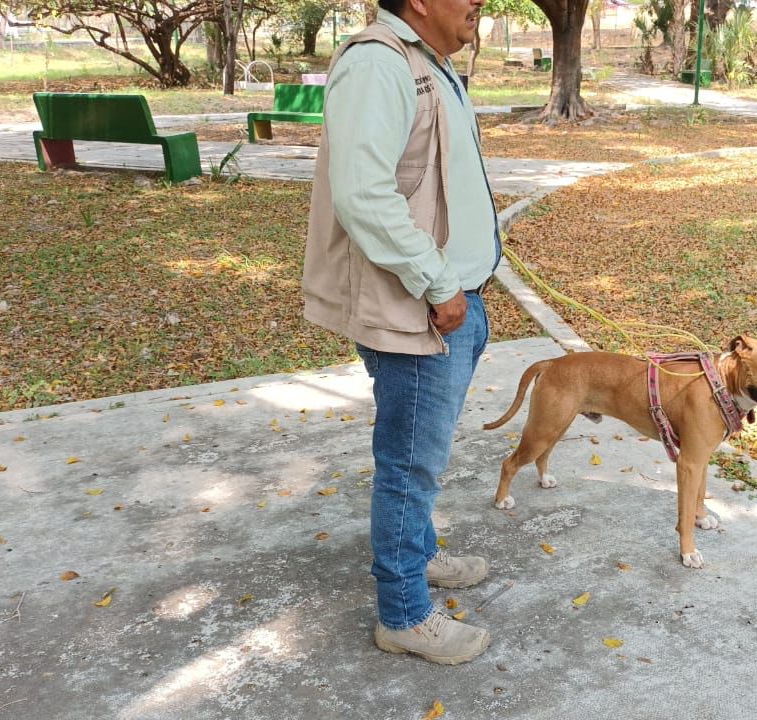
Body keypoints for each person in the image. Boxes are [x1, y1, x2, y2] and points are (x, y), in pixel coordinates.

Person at [301, 0, 500, 665]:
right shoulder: (378, 64)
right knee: (409, 465)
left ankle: (417, 556)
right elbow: (363, 193)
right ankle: (404, 613)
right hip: (420, 309)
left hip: (449, 305)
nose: (478, 2)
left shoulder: (429, 62)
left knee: (424, 456)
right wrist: (438, 282)